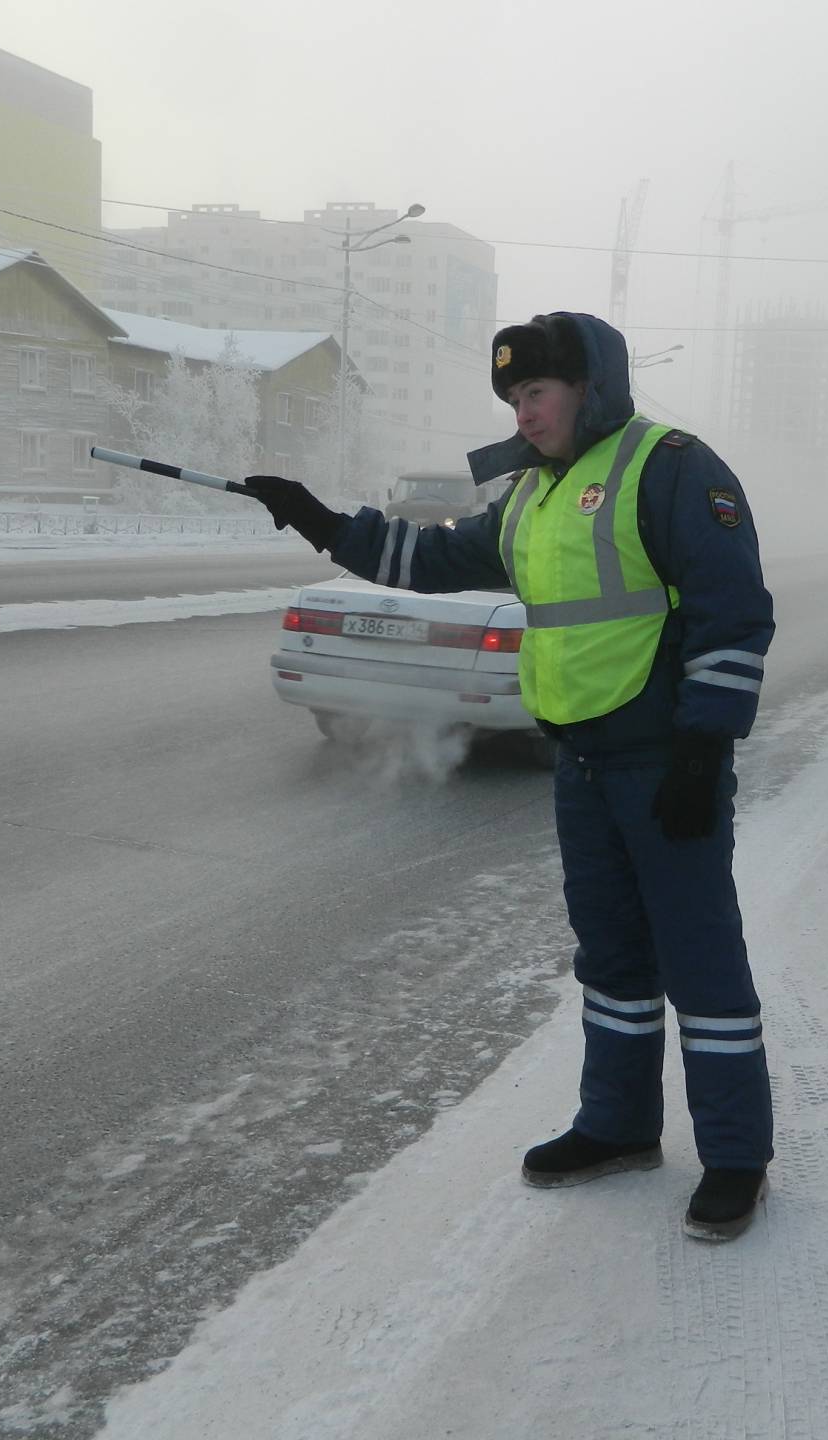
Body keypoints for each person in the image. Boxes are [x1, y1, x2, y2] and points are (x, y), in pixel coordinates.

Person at [238, 312, 776, 1241]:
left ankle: (736, 1156)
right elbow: (432, 557)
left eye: (537, 393)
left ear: (590, 388)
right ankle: (618, 1126)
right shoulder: (531, 495)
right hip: (583, 764)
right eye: (514, 399)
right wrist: (322, 520)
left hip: (663, 765)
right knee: (609, 958)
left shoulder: (674, 467)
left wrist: (702, 750)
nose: (524, 413)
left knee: (700, 958)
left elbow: (734, 618)